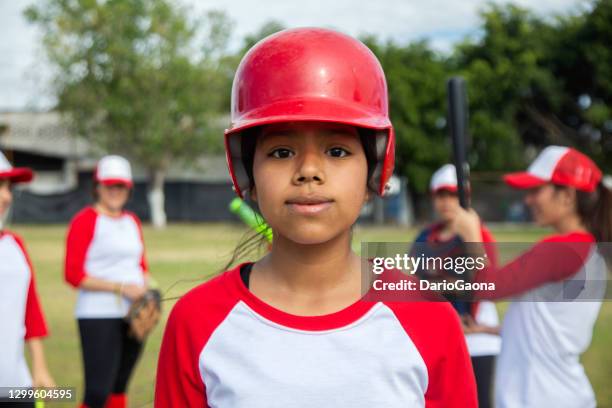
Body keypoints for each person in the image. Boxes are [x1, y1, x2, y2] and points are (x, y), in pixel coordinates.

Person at [155, 28, 477, 408]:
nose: (309, 170)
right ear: (247, 175)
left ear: (374, 174)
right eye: (280, 152)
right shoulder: (197, 321)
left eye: (337, 151)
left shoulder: (429, 318)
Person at [452, 146, 611, 407]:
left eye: (537, 190)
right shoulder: (589, 249)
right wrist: (488, 330)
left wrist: (472, 235)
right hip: (557, 394)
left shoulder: (562, 248)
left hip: (540, 396)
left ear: (568, 196)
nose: (528, 199)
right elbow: (552, 326)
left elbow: (488, 287)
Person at [411, 164, 500, 408]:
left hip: (477, 340)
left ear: (466, 197)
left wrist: (471, 236)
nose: (448, 201)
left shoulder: (479, 234)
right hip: (437, 337)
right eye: (442, 195)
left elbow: (489, 284)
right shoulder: (424, 238)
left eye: (454, 194)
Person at [64, 155, 150, 408]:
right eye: (109, 185)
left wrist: (147, 289)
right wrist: (120, 288)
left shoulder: (131, 221)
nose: (115, 191)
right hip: (97, 314)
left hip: (133, 312)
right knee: (97, 392)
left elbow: (141, 265)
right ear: (97, 187)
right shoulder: (86, 220)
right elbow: (73, 275)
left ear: (129, 188)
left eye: (120, 185)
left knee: (119, 386)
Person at [0, 151, 54, 408]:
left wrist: (40, 367)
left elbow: (30, 309)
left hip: (17, 385)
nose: (6, 196)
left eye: (8, 187)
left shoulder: (15, 245)